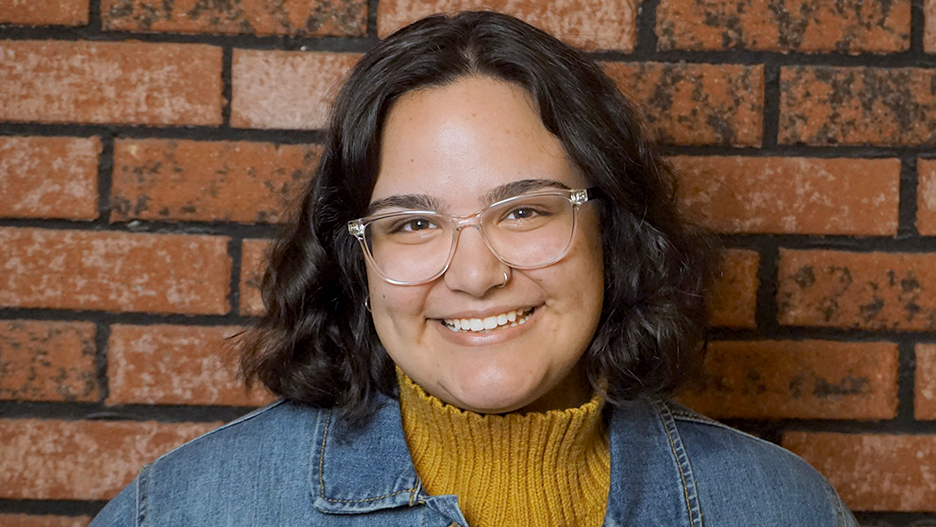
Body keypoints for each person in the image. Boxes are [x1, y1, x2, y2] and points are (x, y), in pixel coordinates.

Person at [90, 11, 858, 527]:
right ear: (357, 257)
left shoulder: (779, 507)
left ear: (609, 224)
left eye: (523, 210)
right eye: (414, 223)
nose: (475, 273)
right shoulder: (190, 509)